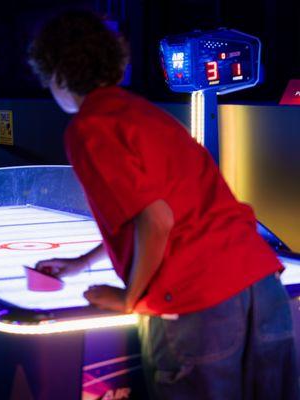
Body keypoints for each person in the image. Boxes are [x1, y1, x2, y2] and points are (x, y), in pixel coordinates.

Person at [29, 11, 298, 399]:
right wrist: (82, 264)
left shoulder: (90, 127)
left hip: (196, 304)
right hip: (260, 285)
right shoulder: (145, 114)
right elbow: (159, 210)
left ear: (55, 73)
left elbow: (155, 220)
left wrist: (129, 299)